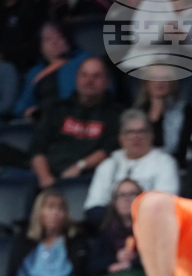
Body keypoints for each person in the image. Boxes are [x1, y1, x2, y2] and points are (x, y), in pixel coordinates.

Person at [30, 57, 123, 189]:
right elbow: (37, 149)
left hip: (92, 179)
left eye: (96, 76)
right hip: (52, 178)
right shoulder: (57, 109)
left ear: (107, 82)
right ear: (76, 79)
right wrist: (45, 178)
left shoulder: (117, 114)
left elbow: (109, 151)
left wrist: (79, 166)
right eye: (84, 75)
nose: (89, 81)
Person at [83, 109, 180, 222]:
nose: (136, 137)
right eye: (130, 132)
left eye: (141, 131)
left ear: (151, 136)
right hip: (112, 230)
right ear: (120, 138)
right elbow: (93, 206)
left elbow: (166, 204)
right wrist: (122, 222)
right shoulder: (108, 165)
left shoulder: (165, 163)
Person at [9, 188, 86, 276]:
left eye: (61, 209)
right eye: (50, 208)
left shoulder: (76, 243)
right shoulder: (24, 243)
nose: (55, 213)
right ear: (39, 212)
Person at [12, 21, 89, 121]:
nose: (55, 42)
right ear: (40, 47)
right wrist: (26, 111)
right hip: (43, 120)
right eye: (48, 40)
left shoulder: (84, 61)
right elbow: (21, 104)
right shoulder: (35, 72)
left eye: (59, 37)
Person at [87, 179, 146, 276]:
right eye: (122, 195)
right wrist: (115, 259)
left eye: (133, 194)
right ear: (114, 202)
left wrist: (132, 263)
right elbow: (93, 265)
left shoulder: (154, 230)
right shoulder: (106, 231)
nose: (127, 199)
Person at [135, 72, 192, 166]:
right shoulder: (136, 114)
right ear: (146, 83)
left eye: (165, 78)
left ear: (173, 83)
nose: (159, 82)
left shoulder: (190, 114)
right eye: (154, 78)